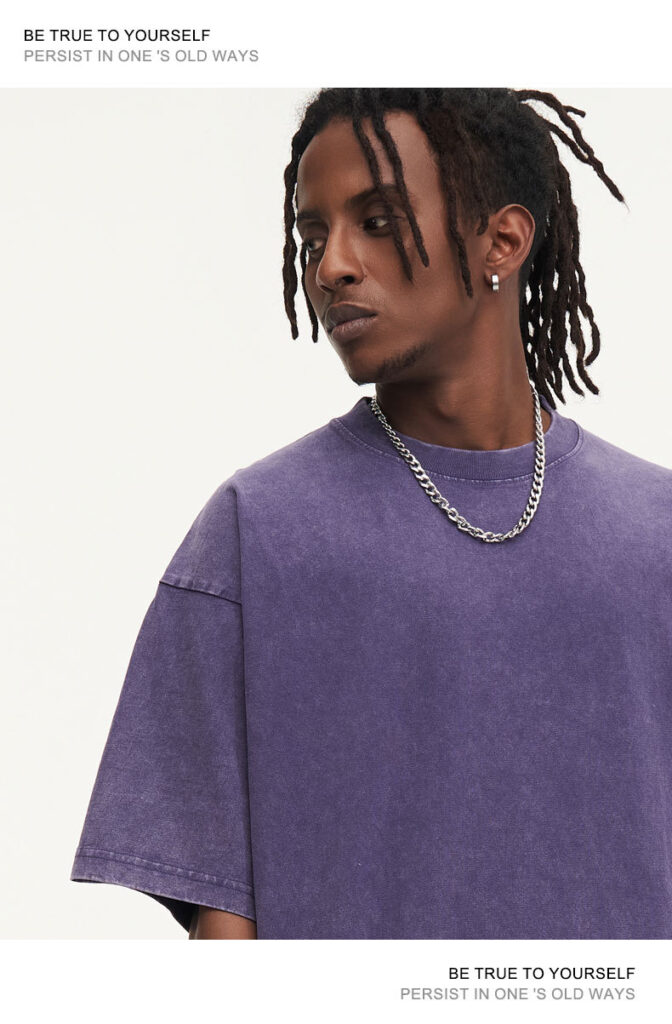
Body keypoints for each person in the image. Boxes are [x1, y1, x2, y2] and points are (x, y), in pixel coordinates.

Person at [70, 87, 672, 940]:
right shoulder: (257, 534)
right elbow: (223, 938)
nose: (331, 268)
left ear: (503, 240)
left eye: (378, 222)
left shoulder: (657, 533)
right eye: (313, 237)